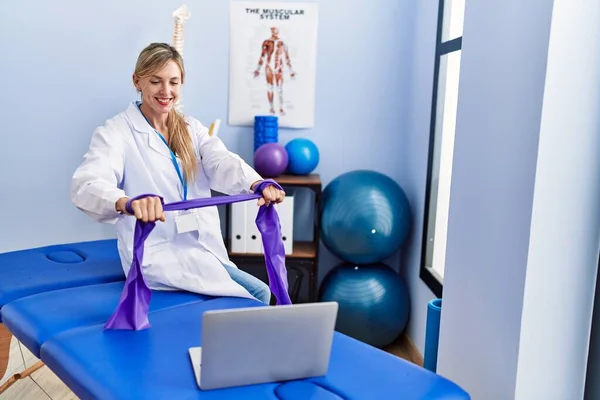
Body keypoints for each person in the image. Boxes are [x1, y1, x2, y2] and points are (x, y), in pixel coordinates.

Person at [70, 42, 285, 305]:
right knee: (258, 294)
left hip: (202, 247)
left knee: (255, 293)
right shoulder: (116, 133)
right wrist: (128, 203)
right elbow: (88, 184)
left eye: (174, 82)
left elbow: (221, 161)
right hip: (157, 255)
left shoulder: (190, 127)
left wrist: (257, 183)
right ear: (137, 82)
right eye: (155, 81)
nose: (166, 91)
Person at [253, 27, 295, 116]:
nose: (274, 32)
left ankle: (281, 108)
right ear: (271, 31)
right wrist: (258, 69)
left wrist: (291, 70)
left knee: (279, 89)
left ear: (278, 31)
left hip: (279, 67)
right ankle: (271, 108)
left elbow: (287, 57)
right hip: (269, 67)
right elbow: (262, 56)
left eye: (276, 30)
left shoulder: (282, 43)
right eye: (273, 30)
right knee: (270, 88)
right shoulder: (267, 42)